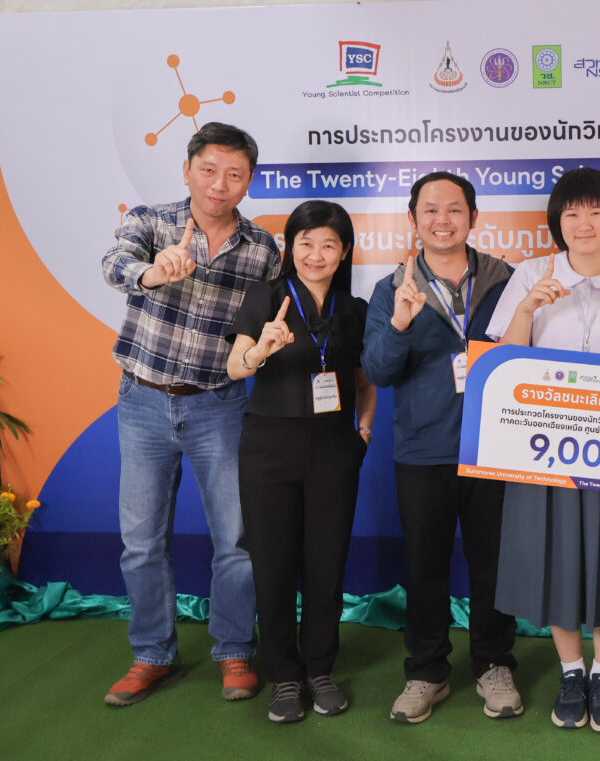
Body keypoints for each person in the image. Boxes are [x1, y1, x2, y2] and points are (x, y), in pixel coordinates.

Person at [100, 122, 280, 707]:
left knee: (237, 538)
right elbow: (114, 264)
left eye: (234, 174)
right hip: (143, 400)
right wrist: (153, 272)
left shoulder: (262, 249)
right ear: (187, 170)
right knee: (141, 541)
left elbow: (263, 328)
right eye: (208, 170)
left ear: (248, 181)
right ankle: (152, 654)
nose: (219, 184)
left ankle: (234, 649)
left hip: (219, 406)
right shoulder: (151, 222)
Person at [485, 167, 600, 733]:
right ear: (556, 221)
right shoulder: (529, 275)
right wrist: (526, 309)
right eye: (571, 213)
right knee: (556, 558)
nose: (583, 223)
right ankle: (571, 672)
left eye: (594, 211)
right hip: (544, 451)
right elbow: (501, 369)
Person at [361, 172, 521, 724]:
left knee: (493, 562)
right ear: (413, 219)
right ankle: (427, 671)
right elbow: (378, 371)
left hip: (494, 447)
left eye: (454, 209)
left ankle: (494, 664)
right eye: (430, 210)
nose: (442, 220)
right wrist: (400, 324)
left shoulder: (507, 282)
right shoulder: (392, 288)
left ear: (473, 217)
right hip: (423, 450)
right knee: (424, 565)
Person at [226, 200, 375, 723]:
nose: (316, 254)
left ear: (344, 252)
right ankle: (284, 676)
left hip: (334, 451)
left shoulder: (354, 309)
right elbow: (235, 367)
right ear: (290, 247)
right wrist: (261, 349)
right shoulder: (265, 297)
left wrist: (364, 428)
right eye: (305, 243)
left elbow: (364, 381)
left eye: (328, 244)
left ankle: (319, 669)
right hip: (268, 450)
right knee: (273, 565)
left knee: (325, 564)